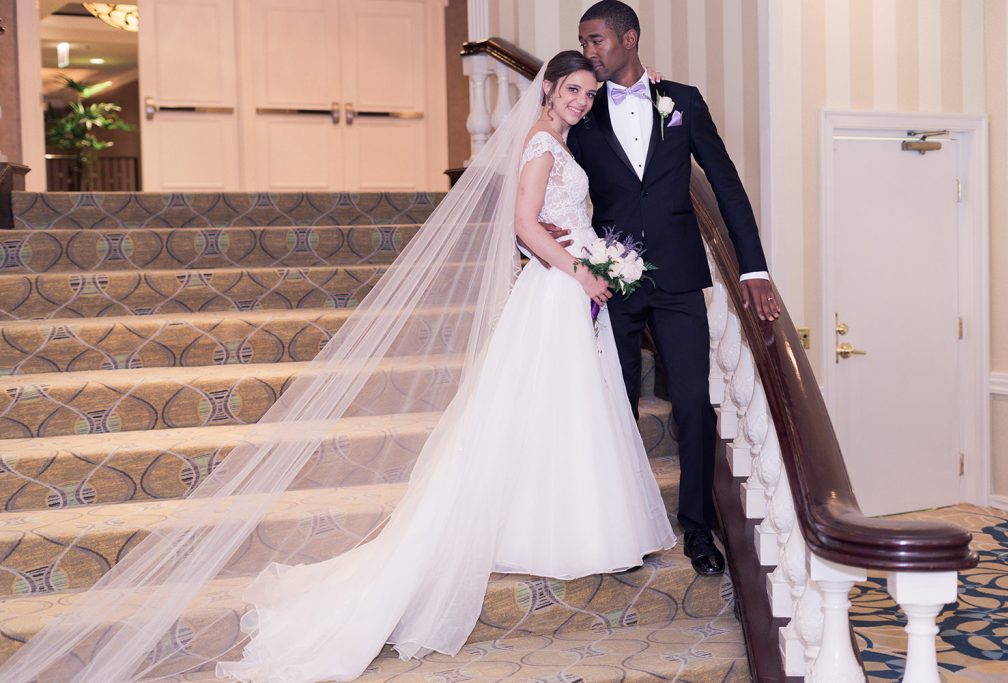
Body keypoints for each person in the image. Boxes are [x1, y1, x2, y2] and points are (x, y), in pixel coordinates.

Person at [0, 52, 675, 683]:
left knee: (561, 413)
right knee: (538, 409)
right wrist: (581, 270)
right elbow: (525, 225)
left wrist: (586, 262)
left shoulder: (560, 143)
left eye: (589, 92)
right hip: (558, 291)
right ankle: (539, 529)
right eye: (572, 90)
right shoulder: (537, 144)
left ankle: (562, 520)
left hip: (564, 293)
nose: (581, 101)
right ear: (550, 90)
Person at [563, 0, 781, 576]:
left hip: (681, 279)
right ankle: (620, 526)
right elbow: (547, 174)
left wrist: (754, 268)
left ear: (629, 38)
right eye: (584, 43)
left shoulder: (681, 100)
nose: (590, 52)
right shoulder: (581, 112)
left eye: (597, 40)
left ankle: (699, 531)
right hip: (610, 282)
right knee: (616, 405)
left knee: (694, 405)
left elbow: (727, 186)